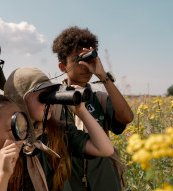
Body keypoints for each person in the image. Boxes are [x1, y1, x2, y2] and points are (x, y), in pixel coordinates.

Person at [4, 67, 114, 191]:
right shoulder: (5, 139)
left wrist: (81, 112)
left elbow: (105, 150)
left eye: (52, 96)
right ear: (21, 99)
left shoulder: (59, 131)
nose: (50, 103)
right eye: (44, 97)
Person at [52, 26, 134, 191]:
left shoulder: (99, 99)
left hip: (102, 175)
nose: (84, 66)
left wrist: (102, 76)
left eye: (87, 59)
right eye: (77, 60)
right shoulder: (53, 101)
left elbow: (126, 118)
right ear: (62, 67)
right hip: (68, 176)